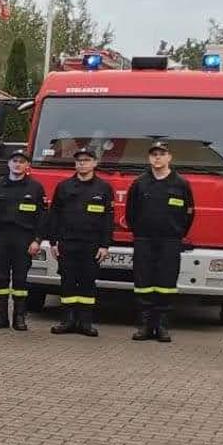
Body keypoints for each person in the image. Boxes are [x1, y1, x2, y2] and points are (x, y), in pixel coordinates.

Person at [124, 140, 193, 343]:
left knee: (166, 283)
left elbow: (189, 213)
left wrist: (177, 233)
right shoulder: (140, 183)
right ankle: (145, 325)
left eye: (162, 154)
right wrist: (139, 233)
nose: (157, 158)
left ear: (169, 157)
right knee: (143, 283)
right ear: (149, 158)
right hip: (144, 240)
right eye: (154, 154)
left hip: (170, 241)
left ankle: (162, 325)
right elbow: (131, 213)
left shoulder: (181, 184)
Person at [46, 146, 114, 337]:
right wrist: (53, 242)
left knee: (88, 282)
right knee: (67, 281)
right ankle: (67, 321)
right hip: (67, 243)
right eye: (79, 161)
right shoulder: (64, 187)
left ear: (95, 163)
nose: (82, 164)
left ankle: (85, 322)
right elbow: (54, 215)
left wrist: (105, 245)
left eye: (86, 160)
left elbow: (108, 219)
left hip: (91, 244)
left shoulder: (103, 188)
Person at [0, 148, 45, 331]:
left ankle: (19, 317)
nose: (17, 164)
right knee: (1, 278)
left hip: (24, 238)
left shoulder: (35, 188)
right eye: (14, 161)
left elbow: (42, 217)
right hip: (1, 237)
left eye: (21, 162)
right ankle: (1, 315)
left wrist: (37, 240)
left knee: (20, 279)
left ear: (27, 165)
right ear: (8, 164)